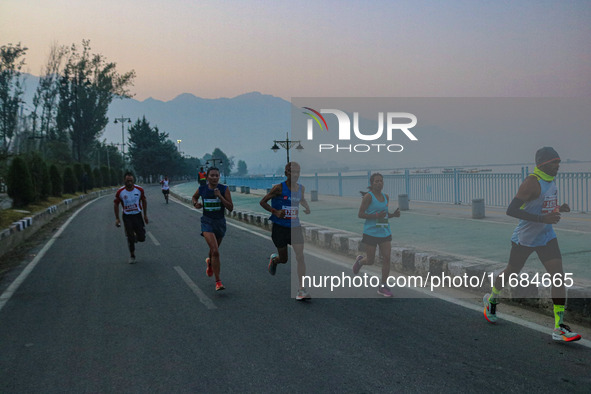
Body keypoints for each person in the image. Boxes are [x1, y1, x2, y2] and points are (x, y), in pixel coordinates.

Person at [483, 147, 581, 342]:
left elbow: (543, 206)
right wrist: (542, 218)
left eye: (559, 162)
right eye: (555, 162)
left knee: (558, 277)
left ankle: (559, 327)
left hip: (546, 237)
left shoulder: (550, 181)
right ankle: (492, 298)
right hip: (525, 238)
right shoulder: (531, 183)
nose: (558, 166)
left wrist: (559, 208)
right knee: (511, 271)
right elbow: (511, 210)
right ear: (543, 163)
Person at [260, 162, 312, 301]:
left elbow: (301, 199)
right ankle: (275, 260)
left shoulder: (301, 188)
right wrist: (275, 212)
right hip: (280, 228)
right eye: (292, 172)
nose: (295, 175)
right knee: (284, 259)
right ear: (286, 173)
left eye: (298, 172)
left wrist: (306, 207)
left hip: (295, 227)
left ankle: (302, 289)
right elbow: (263, 202)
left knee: (300, 257)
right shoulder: (278, 188)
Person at [352, 172, 401, 297]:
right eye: (376, 181)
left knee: (387, 258)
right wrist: (375, 216)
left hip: (384, 231)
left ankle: (383, 285)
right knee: (370, 260)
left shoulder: (386, 197)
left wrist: (393, 215)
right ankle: (360, 261)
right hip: (371, 232)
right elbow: (360, 214)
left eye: (381, 181)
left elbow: (384, 214)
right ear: (372, 184)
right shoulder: (368, 197)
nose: (379, 183)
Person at [192, 167, 233, 291]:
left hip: (220, 223)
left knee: (213, 250)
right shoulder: (202, 188)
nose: (215, 178)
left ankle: (209, 262)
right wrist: (195, 203)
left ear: (219, 177)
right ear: (207, 176)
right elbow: (194, 197)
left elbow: (230, 207)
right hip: (207, 222)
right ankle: (218, 282)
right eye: (212, 175)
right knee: (215, 251)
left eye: (217, 175)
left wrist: (220, 196)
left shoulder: (224, 189)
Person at [114, 172, 149, 264]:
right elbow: (116, 204)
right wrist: (117, 218)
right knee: (130, 237)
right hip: (127, 216)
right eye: (127, 180)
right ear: (124, 181)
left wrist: (145, 215)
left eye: (131, 180)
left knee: (142, 238)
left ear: (133, 180)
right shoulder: (120, 192)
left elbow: (144, 201)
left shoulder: (139, 190)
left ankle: (136, 236)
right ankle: (132, 255)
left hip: (137, 215)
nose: (129, 182)